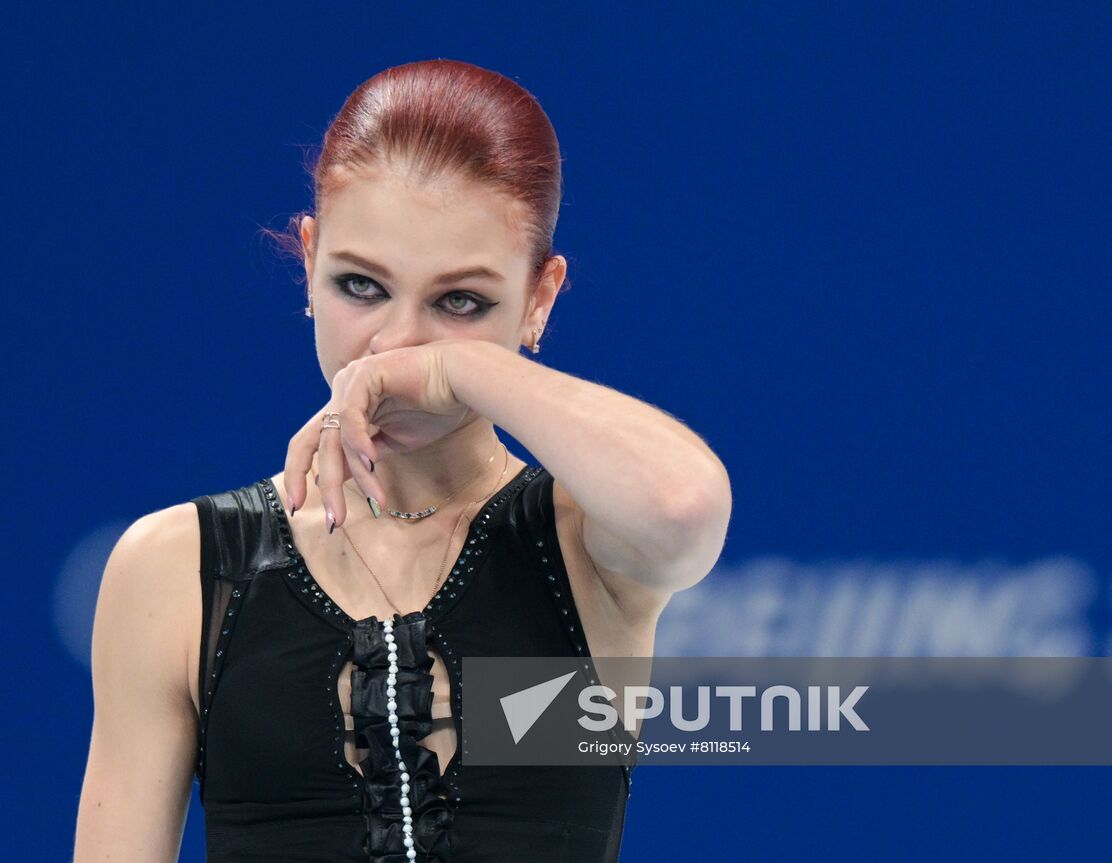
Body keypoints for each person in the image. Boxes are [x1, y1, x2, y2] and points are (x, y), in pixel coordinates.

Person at [73, 59, 731, 863]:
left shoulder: (585, 546)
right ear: (309, 262)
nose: (395, 346)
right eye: (361, 285)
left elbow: (684, 504)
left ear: (539, 298)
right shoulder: (178, 568)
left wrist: (459, 371)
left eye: (461, 301)